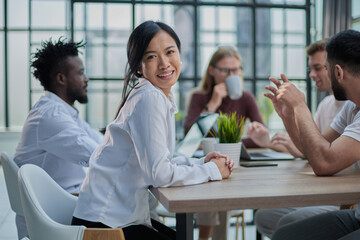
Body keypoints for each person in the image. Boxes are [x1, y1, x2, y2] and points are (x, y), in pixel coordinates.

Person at [71, 20, 234, 240]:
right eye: (151, 56)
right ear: (139, 66)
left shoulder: (153, 95)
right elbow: (159, 175)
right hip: (104, 227)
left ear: (179, 54)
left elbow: (160, 161)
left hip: (112, 218)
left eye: (170, 52)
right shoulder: (149, 98)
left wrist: (200, 163)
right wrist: (213, 171)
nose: (165, 63)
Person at [264, 29, 360, 240]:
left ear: (337, 72)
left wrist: (300, 106)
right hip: (357, 214)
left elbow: (324, 163)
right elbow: (316, 150)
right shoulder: (352, 107)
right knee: (284, 235)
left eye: (324, 68)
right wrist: (289, 116)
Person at [13, 38, 103, 239]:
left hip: (62, 204)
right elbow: (98, 155)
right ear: (61, 79)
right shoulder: (50, 116)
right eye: (80, 73)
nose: (86, 79)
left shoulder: (62, 111)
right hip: (55, 215)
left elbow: (99, 143)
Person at [184, 46, 264, 240]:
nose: (232, 74)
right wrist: (213, 102)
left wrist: (232, 144)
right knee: (212, 183)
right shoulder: (199, 97)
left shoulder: (246, 98)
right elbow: (190, 135)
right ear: (212, 70)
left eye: (236, 70)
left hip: (235, 167)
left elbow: (260, 135)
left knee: (222, 182)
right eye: (226, 70)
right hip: (208, 164)